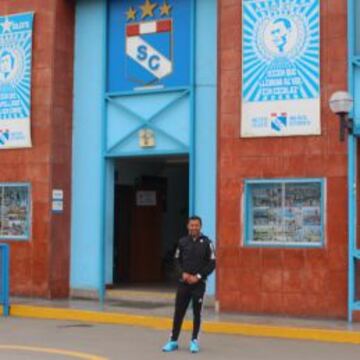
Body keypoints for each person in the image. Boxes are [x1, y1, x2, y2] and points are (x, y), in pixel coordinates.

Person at [162, 216, 216, 354]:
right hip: (183, 283)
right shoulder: (182, 242)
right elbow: (176, 261)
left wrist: (198, 276)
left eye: (196, 225)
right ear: (188, 226)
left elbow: (212, 263)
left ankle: (194, 341)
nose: (194, 228)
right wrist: (182, 274)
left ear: (200, 226)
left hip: (199, 284)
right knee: (178, 312)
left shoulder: (207, 243)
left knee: (197, 313)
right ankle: (173, 340)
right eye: (191, 225)